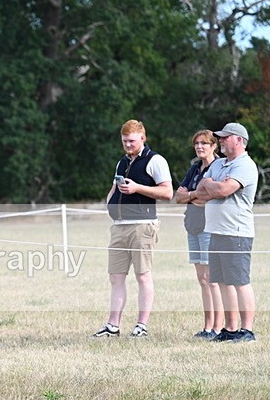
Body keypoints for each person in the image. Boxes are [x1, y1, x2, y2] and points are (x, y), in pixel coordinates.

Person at [93, 119, 173, 338]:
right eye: (124, 141)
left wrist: (138, 188)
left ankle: (141, 326)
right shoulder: (121, 162)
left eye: (132, 141)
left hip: (142, 226)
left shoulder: (155, 160)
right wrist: (109, 203)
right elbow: (113, 188)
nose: (128, 145)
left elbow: (167, 193)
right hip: (118, 227)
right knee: (115, 277)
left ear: (143, 138)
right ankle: (113, 326)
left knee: (142, 276)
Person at [190, 122, 257, 342]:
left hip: (235, 232)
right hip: (215, 231)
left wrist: (213, 186)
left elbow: (223, 189)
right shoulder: (219, 165)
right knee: (223, 282)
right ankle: (230, 329)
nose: (221, 141)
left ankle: (247, 331)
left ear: (238, 140)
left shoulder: (245, 165)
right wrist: (212, 185)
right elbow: (200, 189)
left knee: (239, 281)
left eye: (225, 137)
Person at [173, 130, 224, 339]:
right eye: (197, 144)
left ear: (214, 146)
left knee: (212, 279)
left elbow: (210, 196)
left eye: (204, 143)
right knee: (202, 279)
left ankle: (218, 327)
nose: (200, 147)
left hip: (209, 227)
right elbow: (178, 196)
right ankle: (207, 326)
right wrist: (195, 196)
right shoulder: (195, 168)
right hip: (193, 225)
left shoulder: (219, 167)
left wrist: (191, 196)